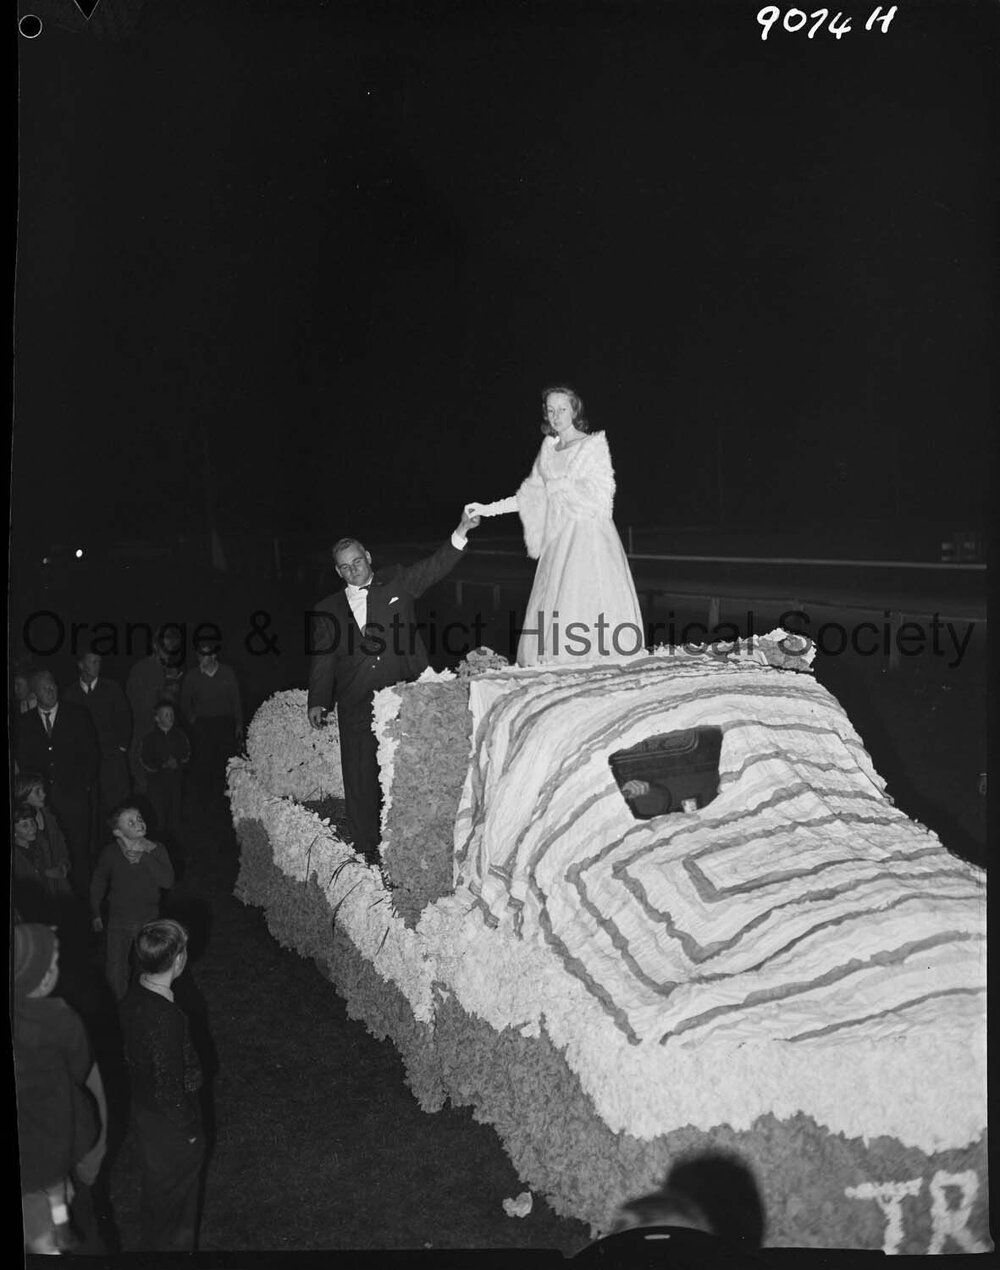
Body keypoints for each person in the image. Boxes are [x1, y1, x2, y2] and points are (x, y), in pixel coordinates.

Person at [306, 508, 480, 861]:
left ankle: (416, 849)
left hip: (405, 701)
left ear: (368, 558)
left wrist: (461, 531)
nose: (354, 570)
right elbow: (323, 661)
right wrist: (318, 701)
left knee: (409, 774)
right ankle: (366, 850)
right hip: (356, 705)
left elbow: (434, 567)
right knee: (360, 779)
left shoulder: (398, 581)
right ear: (338, 571)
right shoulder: (327, 609)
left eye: (357, 561)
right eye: (346, 566)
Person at [466, 384, 644, 667]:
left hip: (588, 538)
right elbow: (530, 496)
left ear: (575, 410)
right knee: (553, 604)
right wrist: (487, 509)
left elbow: (602, 498)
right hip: (558, 540)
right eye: (551, 410)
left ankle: (594, 660)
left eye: (562, 408)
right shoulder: (549, 449)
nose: (557, 415)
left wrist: (562, 487)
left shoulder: (592, 445)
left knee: (584, 598)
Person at [14, 923, 109, 1255]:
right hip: (58, 1121)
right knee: (55, 1180)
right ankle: (57, 1232)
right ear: (40, 978)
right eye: (51, 964)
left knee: (40, 1179)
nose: (55, 970)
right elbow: (81, 1064)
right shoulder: (60, 1018)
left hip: (30, 1139)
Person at [119, 919, 205, 1252]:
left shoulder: (135, 992)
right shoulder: (164, 1017)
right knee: (177, 1210)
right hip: (169, 1127)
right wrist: (190, 1130)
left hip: (144, 1113)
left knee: (159, 1200)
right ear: (179, 959)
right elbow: (169, 1088)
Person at [17, 670, 99, 895]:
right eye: (44, 688)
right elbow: (24, 761)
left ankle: (85, 901)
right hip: (43, 802)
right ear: (34, 693)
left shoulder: (77, 715)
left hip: (75, 798)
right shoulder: (25, 723)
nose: (51, 691)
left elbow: (91, 755)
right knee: (50, 851)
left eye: (53, 685)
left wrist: (83, 786)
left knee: (79, 850)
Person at [90, 805, 175, 1000]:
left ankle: (148, 1004)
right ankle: (117, 1008)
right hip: (118, 920)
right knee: (115, 968)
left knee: (149, 966)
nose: (139, 823)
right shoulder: (110, 853)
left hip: (149, 920)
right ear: (118, 832)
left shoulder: (156, 850)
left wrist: (145, 859)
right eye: (131, 822)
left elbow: (168, 881)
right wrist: (95, 911)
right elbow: (99, 881)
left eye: (139, 818)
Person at [64, 646, 132, 817]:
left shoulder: (112, 688)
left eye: (99, 662)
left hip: (111, 756)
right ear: (81, 665)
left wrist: (122, 748)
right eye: (92, 662)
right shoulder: (70, 693)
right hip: (84, 760)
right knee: (90, 807)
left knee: (118, 804)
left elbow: (125, 719)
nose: (97, 666)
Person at [179, 641, 243, 808]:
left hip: (225, 721)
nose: (201, 658)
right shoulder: (192, 676)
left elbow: (236, 699)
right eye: (199, 654)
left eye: (205, 654)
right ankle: (205, 800)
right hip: (204, 724)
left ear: (214, 655)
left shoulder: (227, 672)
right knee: (204, 761)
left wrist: (238, 724)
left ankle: (226, 797)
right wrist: (192, 718)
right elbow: (185, 700)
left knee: (226, 761)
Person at [126, 626, 186, 795]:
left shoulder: (174, 670)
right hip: (144, 741)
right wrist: (160, 697)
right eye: (165, 647)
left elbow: (179, 710)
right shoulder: (140, 670)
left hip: (169, 744)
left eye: (172, 648)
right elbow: (135, 708)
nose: (169, 653)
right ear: (155, 646)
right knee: (145, 792)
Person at [140, 699, 191, 853]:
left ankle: (176, 849)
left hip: (174, 783)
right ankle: (157, 848)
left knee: (174, 816)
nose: (170, 718)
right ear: (157, 718)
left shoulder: (180, 736)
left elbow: (187, 754)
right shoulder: (149, 739)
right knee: (158, 817)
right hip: (156, 785)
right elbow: (144, 759)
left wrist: (178, 763)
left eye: (172, 714)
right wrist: (160, 765)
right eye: (166, 715)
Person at [13, 799, 72, 923]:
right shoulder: (16, 856)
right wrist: (44, 873)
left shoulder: (41, 845)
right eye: (25, 825)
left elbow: (61, 857)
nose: (32, 828)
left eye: (32, 822)